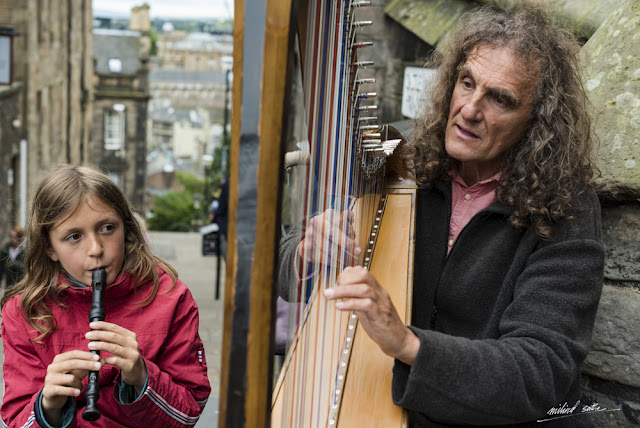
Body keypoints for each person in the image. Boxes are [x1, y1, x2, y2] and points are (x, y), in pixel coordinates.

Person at [284, 2, 605, 426]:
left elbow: (541, 370)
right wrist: (307, 252)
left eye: (500, 99)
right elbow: (278, 263)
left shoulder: (565, 206)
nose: (470, 110)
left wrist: (405, 342)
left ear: (536, 121)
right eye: (467, 82)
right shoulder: (405, 164)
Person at [0, 165, 211, 427]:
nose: (96, 249)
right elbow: (16, 419)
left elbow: (190, 411)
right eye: (74, 236)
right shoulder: (24, 312)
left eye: (107, 228)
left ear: (126, 227)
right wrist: (47, 405)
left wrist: (141, 376)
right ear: (49, 248)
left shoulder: (170, 297)